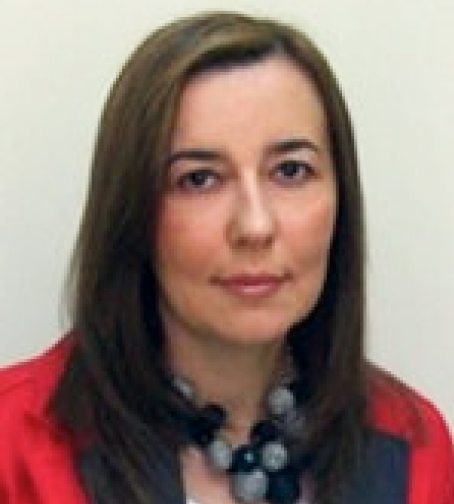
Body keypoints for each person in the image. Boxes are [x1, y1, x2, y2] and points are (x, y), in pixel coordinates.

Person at [0, 11, 452, 504]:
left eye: (291, 171)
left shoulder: (414, 444)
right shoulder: (13, 446)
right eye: (199, 179)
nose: (255, 226)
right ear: (132, 210)